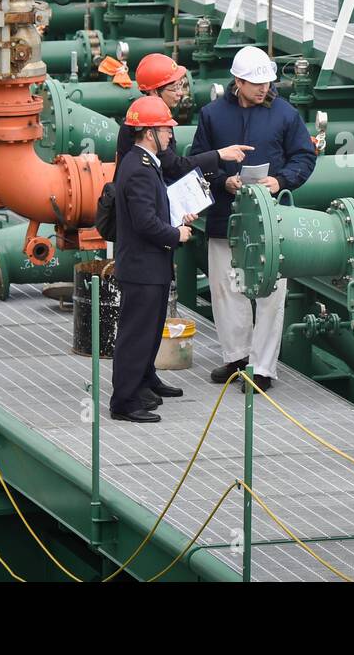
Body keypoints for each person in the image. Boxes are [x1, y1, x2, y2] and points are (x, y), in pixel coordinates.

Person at [189, 46, 316, 393]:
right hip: (224, 217)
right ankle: (237, 358)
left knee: (271, 294)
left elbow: (305, 156)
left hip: (270, 221)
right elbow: (196, 161)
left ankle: (262, 369)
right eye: (256, 83)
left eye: (267, 83)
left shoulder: (286, 115)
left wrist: (281, 180)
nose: (263, 89)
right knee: (225, 290)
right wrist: (222, 180)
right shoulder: (212, 115)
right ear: (238, 81)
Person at [109, 97, 195, 423]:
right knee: (136, 334)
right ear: (148, 133)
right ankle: (125, 401)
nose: (171, 135)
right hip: (143, 267)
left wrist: (173, 220)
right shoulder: (140, 170)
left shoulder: (142, 163)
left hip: (150, 266)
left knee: (149, 329)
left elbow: (149, 212)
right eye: (165, 129)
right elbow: (144, 223)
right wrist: (176, 235)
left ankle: (144, 383)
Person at [117, 52, 252, 174]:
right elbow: (173, 166)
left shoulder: (153, 115)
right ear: (154, 91)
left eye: (180, 85)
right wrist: (219, 154)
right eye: (174, 88)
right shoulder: (147, 122)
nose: (180, 93)